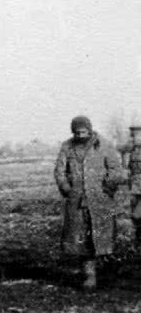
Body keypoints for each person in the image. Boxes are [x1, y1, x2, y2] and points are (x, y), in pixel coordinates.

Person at [54, 116, 125, 289]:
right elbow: (59, 171)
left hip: (101, 200)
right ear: (73, 132)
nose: (81, 135)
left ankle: (110, 273)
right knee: (82, 241)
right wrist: (67, 188)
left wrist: (109, 186)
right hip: (76, 201)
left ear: (90, 130)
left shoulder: (104, 145)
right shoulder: (67, 147)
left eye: (84, 131)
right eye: (77, 132)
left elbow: (116, 169)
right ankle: (89, 275)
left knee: (105, 237)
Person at [121, 125, 141, 250]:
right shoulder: (132, 151)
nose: (132, 138)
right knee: (136, 218)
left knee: (137, 215)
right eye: (132, 135)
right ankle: (138, 241)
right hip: (134, 188)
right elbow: (128, 168)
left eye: (136, 135)